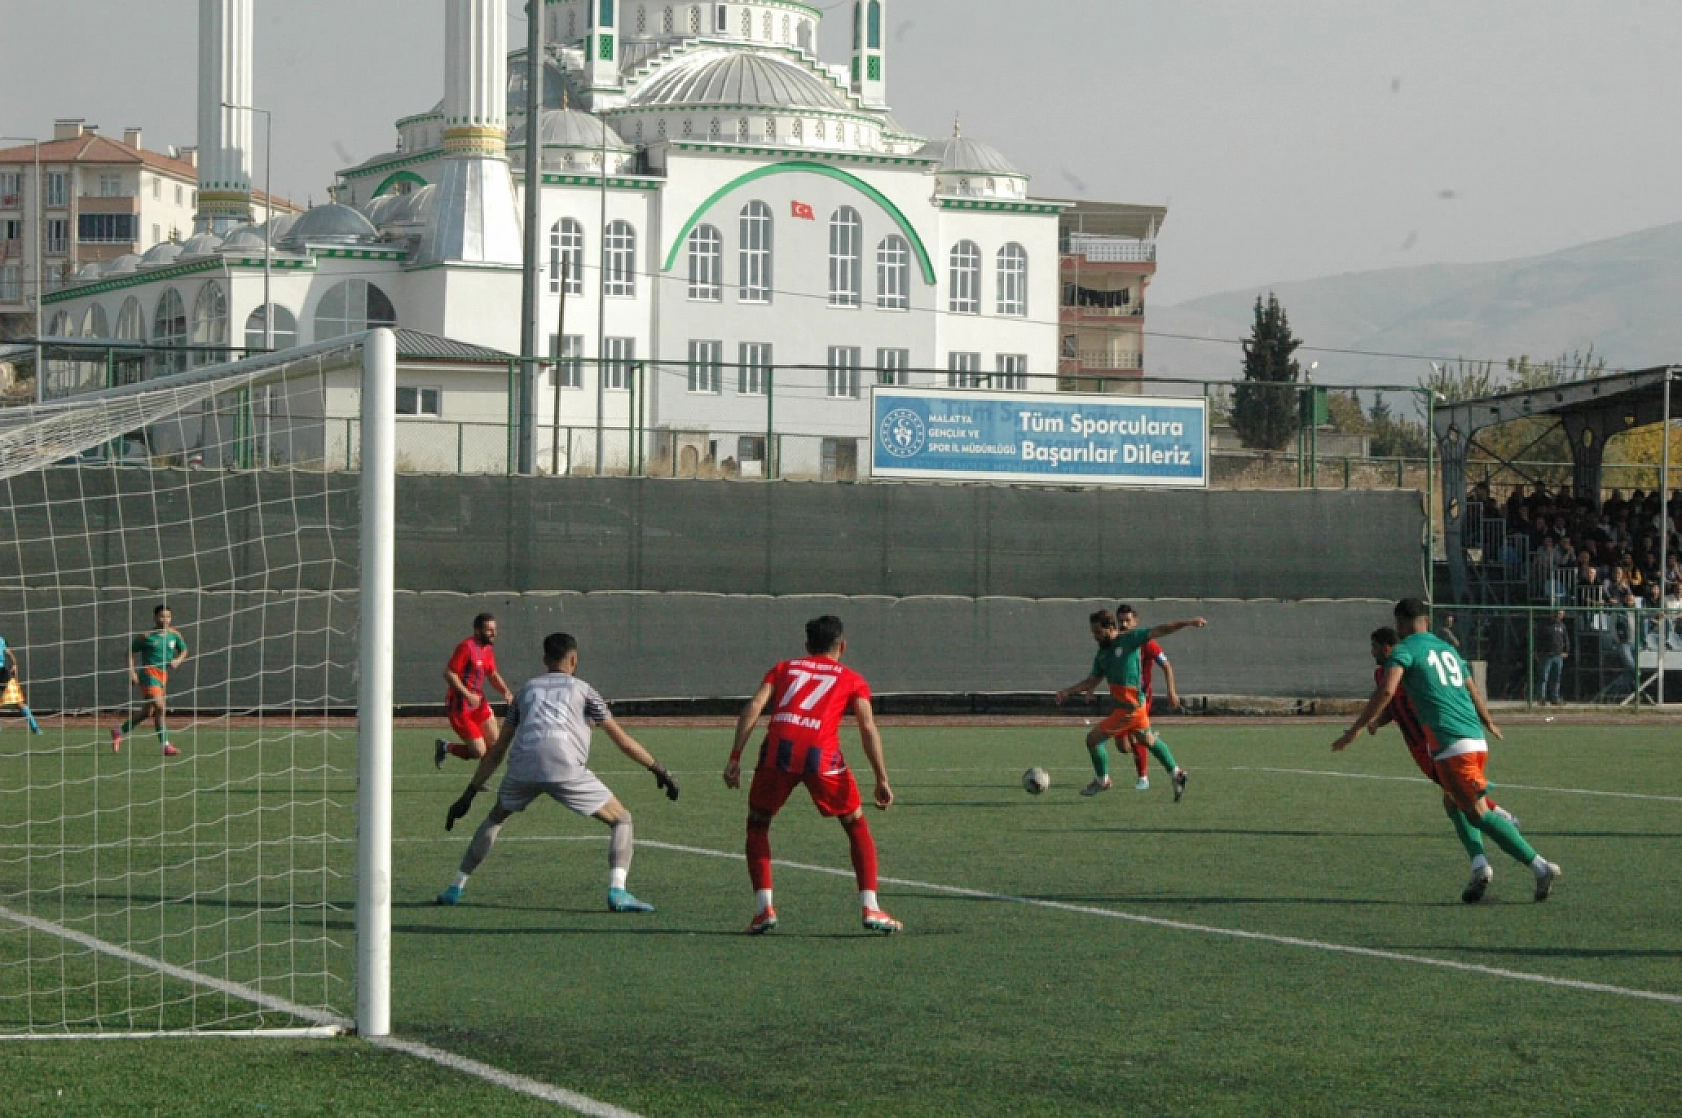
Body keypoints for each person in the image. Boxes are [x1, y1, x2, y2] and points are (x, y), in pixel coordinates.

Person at [1334, 599, 1560, 903]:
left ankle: (1540, 866)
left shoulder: (1404, 650)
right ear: (1427, 620)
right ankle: (1480, 867)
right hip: (1473, 738)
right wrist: (1489, 722)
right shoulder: (1447, 649)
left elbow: (1387, 691)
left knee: (1478, 814)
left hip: (1452, 743)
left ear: (1400, 623)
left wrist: (1356, 729)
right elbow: (1472, 689)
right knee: (1453, 803)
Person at [436, 632, 678, 911]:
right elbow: (622, 740)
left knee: (495, 818)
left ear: (544, 660)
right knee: (622, 820)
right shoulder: (585, 691)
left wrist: (468, 795)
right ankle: (618, 891)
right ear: (574, 659)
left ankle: (456, 886)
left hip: (523, 766)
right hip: (564, 766)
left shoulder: (525, 691)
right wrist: (658, 769)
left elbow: (498, 749)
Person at [724, 615, 901, 935]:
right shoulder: (852, 678)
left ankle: (764, 909)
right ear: (842, 646)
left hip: (778, 751)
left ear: (807, 647)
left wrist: (736, 756)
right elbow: (867, 727)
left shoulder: (784, 668)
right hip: (822, 755)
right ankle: (871, 907)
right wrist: (881, 778)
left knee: (758, 824)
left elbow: (753, 707)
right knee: (855, 824)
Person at [1364, 627, 1517, 903]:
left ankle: (1499, 830)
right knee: (1454, 796)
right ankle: (1492, 838)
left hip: (1436, 742)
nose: (1371, 652)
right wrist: (1377, 722)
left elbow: (1430, 699)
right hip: (1418, 748)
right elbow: (1394, 708)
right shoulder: (1383, 673)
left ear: (1388, 647)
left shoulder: (1409, 667)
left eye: (1374, 646)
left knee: (1457, 798)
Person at [1055, 609, 1206, 802]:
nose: (1095, 637)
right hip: (1136, 707)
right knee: (1148, 740)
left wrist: (1188, 622)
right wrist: (1067, 691)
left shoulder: (1130, 639)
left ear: (1111, 628)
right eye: (1093, 634)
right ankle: (1177, 774)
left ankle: (1102, 780)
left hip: (1129, 709)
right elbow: (1092, 681)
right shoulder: (1103, 654)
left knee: (1092, 739)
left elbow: (1160, 630)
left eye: (1098, 633)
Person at [1117, 604, 1184, 792]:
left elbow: (1166, 665)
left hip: (1140, 698)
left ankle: (1143, 777)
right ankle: (1149, 738)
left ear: (1135, 622)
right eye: (1120, 621)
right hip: (1122, 700)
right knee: (1123, 746)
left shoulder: (1146, 642)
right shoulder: (1116, 642)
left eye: (1127, 621)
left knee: (1136, 735)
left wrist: (1171, 691)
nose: (1123, 624)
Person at [435, 613, 514, 768]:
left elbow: (492, 674)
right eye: (489, 630)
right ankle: (446, 747)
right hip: (460, 707)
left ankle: (480, 780)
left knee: (495, 745)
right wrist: (467, 694)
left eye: (494, 629)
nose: (494, 634)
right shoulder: (466, 647)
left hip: (479, 703)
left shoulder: (487, 649)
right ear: (477, 631)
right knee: (479, 751)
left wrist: (506, 692)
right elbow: (449, 673)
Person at [113, 605, 188, 756]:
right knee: (160, 707)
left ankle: (118, 731)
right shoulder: (146, 636)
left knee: (148, 712)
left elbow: (184, 650)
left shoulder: (174, 635)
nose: (165, 620)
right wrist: (132, 673)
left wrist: (178, 660)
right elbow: (130, 653)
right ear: (154, 618)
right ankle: (165, 746)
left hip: (163, 676)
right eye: (162, 616)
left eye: (168, 616)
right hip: (148, 674)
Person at [0, 632, 42, 734]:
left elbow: (8, 652)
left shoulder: (1, 640)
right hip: (3, 674)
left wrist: (14, 664)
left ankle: (35, 727)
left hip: (3, 674)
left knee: (19, 703)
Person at [1533, 609, 1569, 705]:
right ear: (1553, 614)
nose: (1559, 616)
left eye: (1561, 614)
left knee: (1556, 678)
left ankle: (1555, 698)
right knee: (1543, 677)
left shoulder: (1562, 626)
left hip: (1558, 656)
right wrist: (1536, 651)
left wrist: (1566, 651)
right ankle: (1541, 698)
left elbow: (1566, 639)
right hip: (1546, 655)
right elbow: (1538, 639)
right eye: (1557, 614)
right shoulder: (1544, 625)